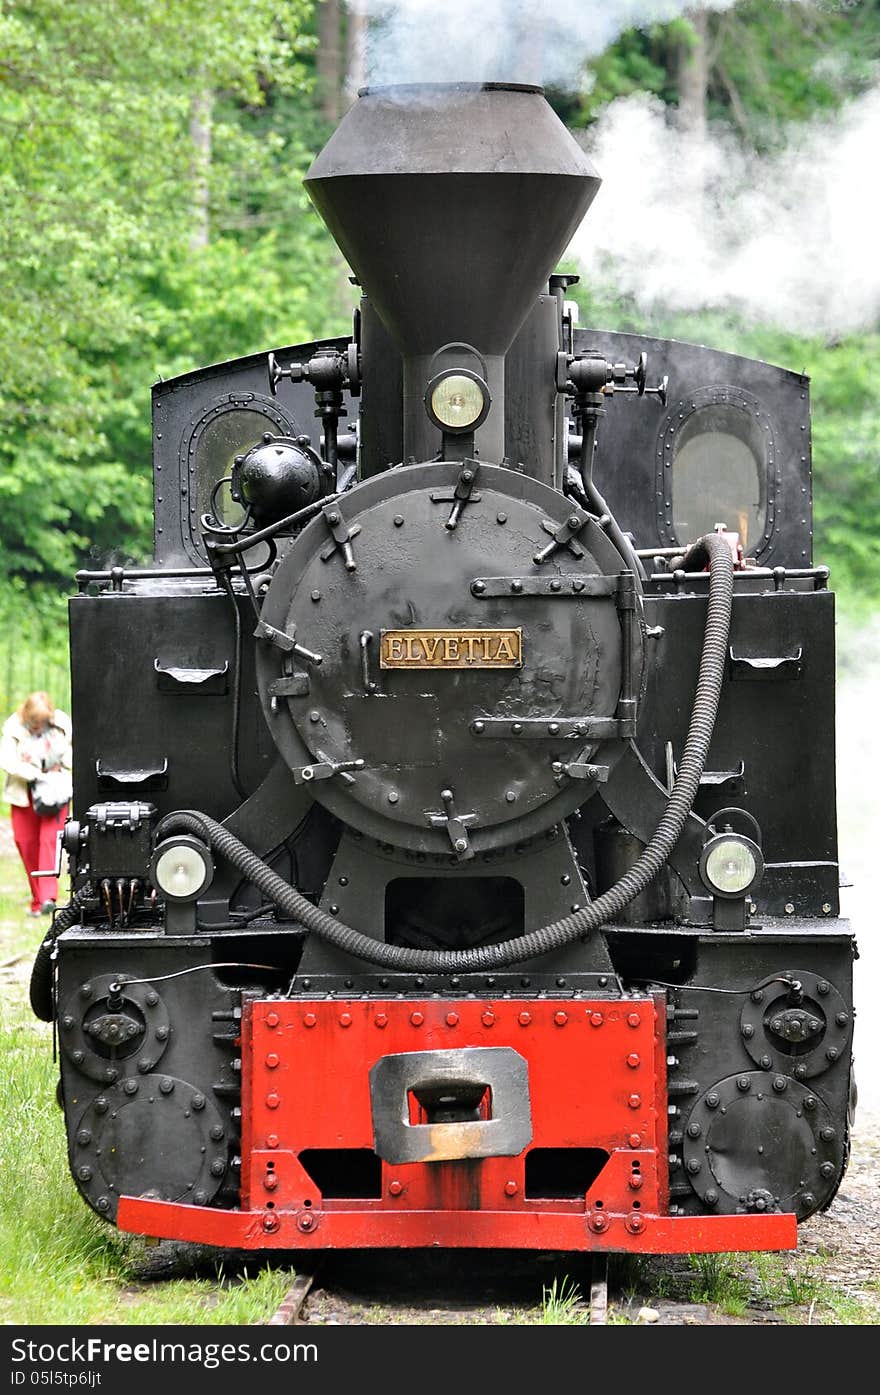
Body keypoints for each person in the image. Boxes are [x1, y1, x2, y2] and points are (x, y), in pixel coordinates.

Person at [0, 691, 72, 916]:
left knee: (50, 841)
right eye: (34, 722)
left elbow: (72, 754)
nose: (37, 726)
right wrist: (35, 773)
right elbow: (8, 760)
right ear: (26, 716)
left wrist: (60, 764)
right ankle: (38, 899)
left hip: (55, 792)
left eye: (41, 722)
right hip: (25, 793)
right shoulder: (13, 727)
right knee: (26, 843)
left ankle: (48, 897)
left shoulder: (61, 724)